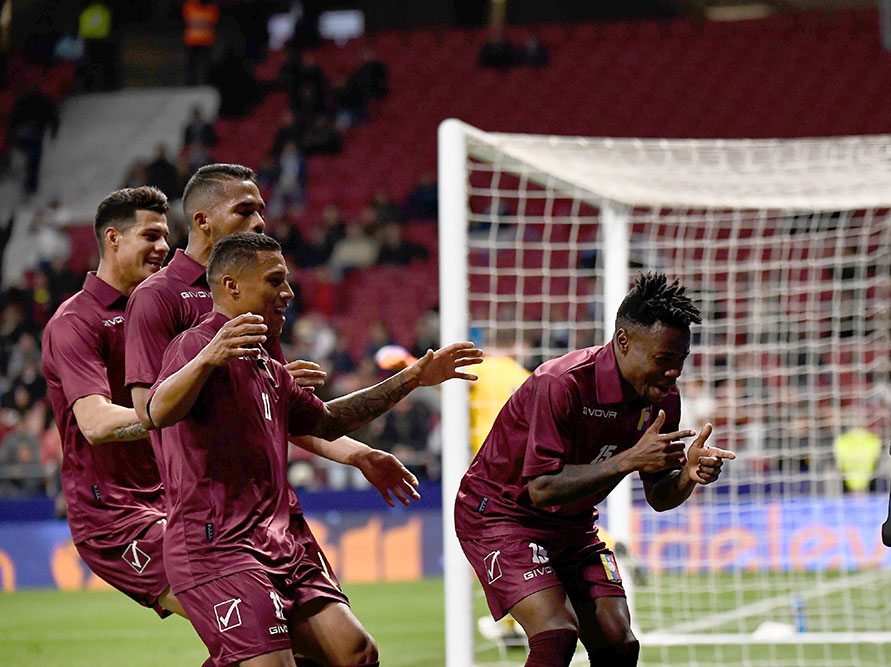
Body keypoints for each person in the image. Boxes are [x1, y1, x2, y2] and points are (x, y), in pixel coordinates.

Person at [148, 232, 482, 666]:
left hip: (277, 541)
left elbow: (326, 422)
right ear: (231, 286)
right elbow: (157, 411)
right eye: (274, 281)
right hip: (217, 547)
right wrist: (208, 358)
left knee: (355, 652)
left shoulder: (268, 366)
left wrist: (411, 378)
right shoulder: (195, 345)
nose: (288, 293)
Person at [455, 272, 736, 667]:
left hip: (571, 523)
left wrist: (687, 476)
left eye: (681, 360)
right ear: (623, 341)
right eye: (663, 359)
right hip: (500, 514)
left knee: (620, 645)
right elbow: (541, 488)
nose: (674, 372)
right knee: (556, 633)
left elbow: (658, 497)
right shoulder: (561, 383)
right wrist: (628, 459)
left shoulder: (663, 400)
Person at [40, 186, 180, 618]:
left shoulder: (160, 311)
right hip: (115, 514)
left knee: (267, 627)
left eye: (165, 236)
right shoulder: (76, 322)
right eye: (151, 235)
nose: (164, 247)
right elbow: (96, 423)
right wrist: (174, 413)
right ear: (113, 238)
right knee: (250, 624)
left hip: (177, 497)